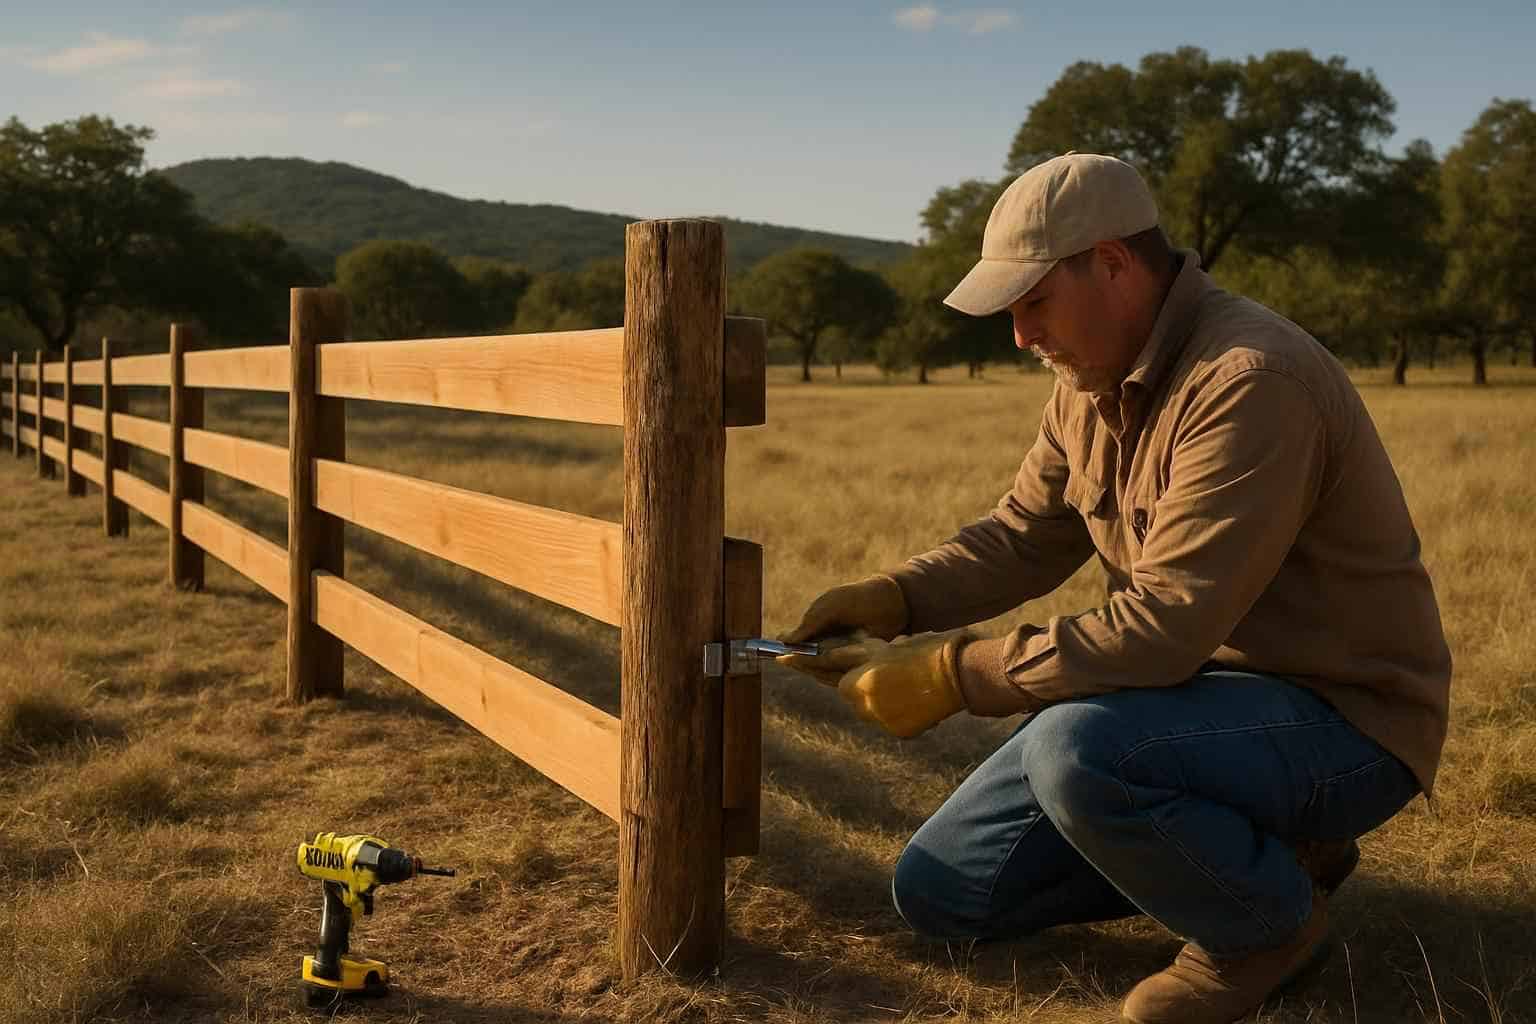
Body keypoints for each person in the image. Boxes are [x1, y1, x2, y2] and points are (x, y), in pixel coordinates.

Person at [774, 152, 1452, 1024]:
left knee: (1079, 750)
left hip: (1341, 721)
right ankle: (1269, 852)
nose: (1019, 336)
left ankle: (1265, 927)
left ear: (1113, 263)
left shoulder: (1249, 381)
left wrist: (952, 674)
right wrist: (894, 597)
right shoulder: (1086, 385)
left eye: (1033, 302)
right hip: (1190, 707)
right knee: (944, 893)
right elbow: (1022, 535)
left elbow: (1163, 629)